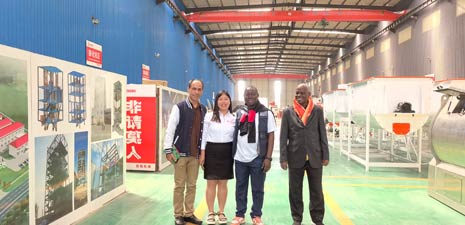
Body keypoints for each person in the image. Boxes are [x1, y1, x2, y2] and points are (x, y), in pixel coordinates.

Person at [279, 83, 329, 225]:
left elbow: (322, 134)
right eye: (297, 93)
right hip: (295, 156)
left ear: (309, 95)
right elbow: (283, 137)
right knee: (295, 191)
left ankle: (317, 219)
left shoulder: (317, 111)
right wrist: (283, 158)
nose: (299, 96)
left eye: (302, 93)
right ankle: (297, 218)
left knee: (317, 191)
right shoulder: (288, 112)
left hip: (315, 156)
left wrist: (325, 155)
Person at [164, 79, 206, 225]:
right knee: (180, 185)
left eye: (199, 89)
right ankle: (178, 214)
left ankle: (188, 214)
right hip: (180, 153)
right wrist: (168, 149)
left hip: (194, 155)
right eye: (194, 88)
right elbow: (170, 129)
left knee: (192, 185)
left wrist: (202, 153)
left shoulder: (203, 109)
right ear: (188, 89)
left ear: (202, 91)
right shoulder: (179, 107)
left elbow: (204, 133)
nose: (196, 92)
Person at [231, 86, 276, 225]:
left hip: (258, 158)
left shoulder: (266, 113)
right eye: (247, 95)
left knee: (257, 189)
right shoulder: (239, 112)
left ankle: (256, 215)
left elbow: (271, 135)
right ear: (244, 96)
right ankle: (240, 215)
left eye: (252, 94)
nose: (250, 97)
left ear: (258, 95)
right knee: (240, 188)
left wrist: (268, 158)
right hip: (240, 158)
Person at [199, 90, 235, 225]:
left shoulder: (234, 117)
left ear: (229, 102)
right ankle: (210, 212)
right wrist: (203, 153)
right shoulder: (209, 116)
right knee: (211, 183)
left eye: (226, 99)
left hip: (227, 152)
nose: (223, 102)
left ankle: (221, 211)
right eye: (221, 99)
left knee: (223, 184)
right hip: (211, 151)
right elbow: (204, 136)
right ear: (216, 102)